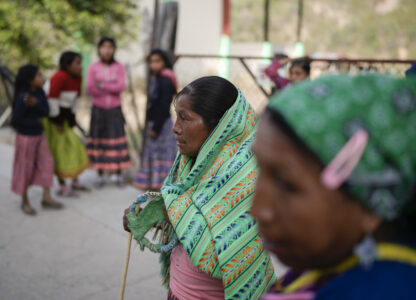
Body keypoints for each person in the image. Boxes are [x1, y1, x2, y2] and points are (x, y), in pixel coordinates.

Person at [250, 74, 416, 299]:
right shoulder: (328, 266)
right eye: (259, 171)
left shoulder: (383, 292)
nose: (258, 209)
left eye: (286, 185)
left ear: (369, 205)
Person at [125, 76, 276, 299]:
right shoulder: (190, 165)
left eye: (185, 119)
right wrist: (146, 218)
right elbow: (187, 223)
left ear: (220, 126)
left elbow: (225, 246)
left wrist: (173, 211)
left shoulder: (247, 177)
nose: (175, 128)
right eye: (176, 117)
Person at [11, 64, 63, 215]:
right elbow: (15, 120)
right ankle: (24, 201)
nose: (42, 78)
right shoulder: (23, 97)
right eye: (39, 75)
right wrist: (34, 122)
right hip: (26, 138)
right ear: (30, 80)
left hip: (39, 135)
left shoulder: (39, 93)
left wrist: (37, 104)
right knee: (25, 169)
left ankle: (46, 197)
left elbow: (46, 111)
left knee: (47, 164)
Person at [43, 51, 90, 196]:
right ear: (67, 65)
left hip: (65, 120)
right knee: (60, 153)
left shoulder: (77, 78)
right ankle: (63, 185)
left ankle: (74, 180)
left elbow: (76, 100)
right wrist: (57, 121)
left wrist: (72, 120)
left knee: (74, 148)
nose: (81, 66)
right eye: (77, 63)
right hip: (53, 120)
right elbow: (52, 101)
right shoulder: (59, 77)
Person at [86, 37, 131, 186]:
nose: (106, 50)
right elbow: (90, 88)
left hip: (114, 110)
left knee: (116, 140)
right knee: (99, 140)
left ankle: (118, 174)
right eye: (103, 47)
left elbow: (120, 87)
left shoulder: (119, 67)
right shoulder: (93, 67)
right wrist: (109, 85)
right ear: (99, 49)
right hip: (98, 110)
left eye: (110, 47)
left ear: (114, 49)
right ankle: (100, 175)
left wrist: (102, 84)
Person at [133, 49, 178, 191]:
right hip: (158, 123)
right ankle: (156, 185)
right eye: (151, 62)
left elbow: (164, 105)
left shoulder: (165, 79)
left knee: (161, 154)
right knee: (156, 155)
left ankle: (161, 186)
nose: (153, 65)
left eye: (157, 61)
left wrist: (156, 128)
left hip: (161, 124)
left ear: (164, 62)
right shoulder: (160, 78)